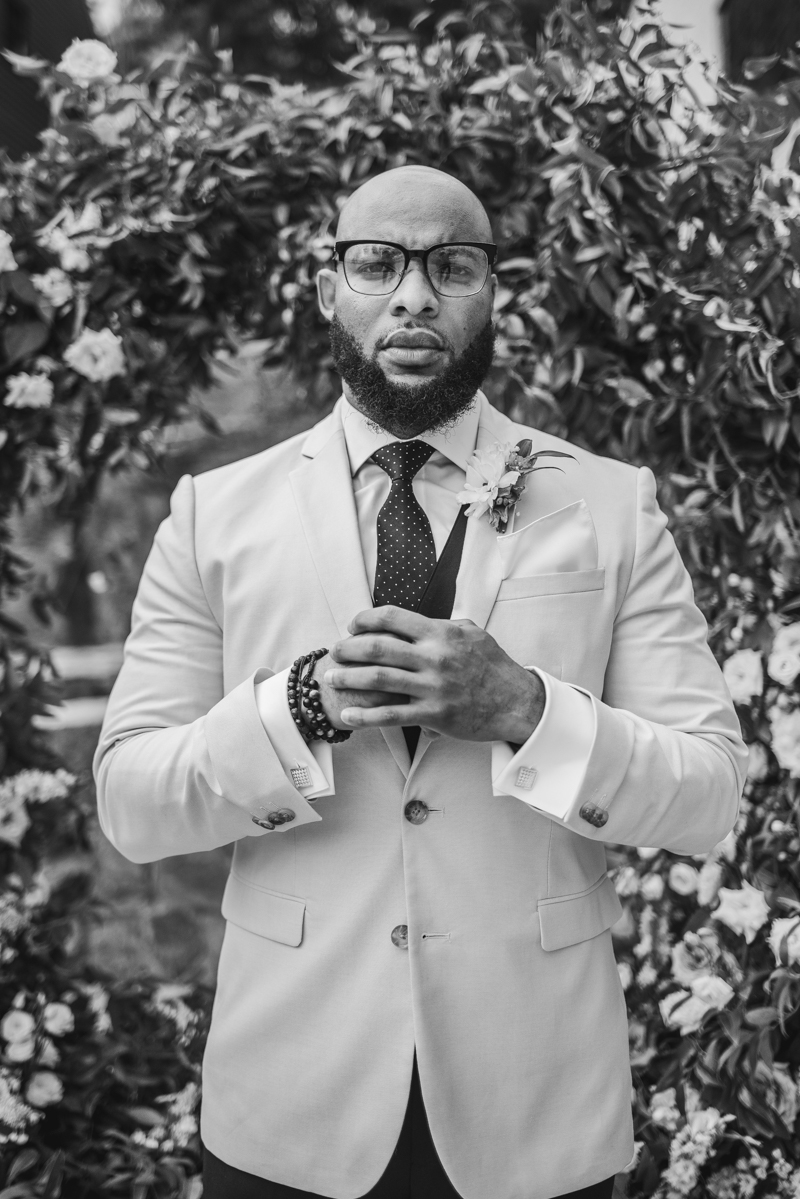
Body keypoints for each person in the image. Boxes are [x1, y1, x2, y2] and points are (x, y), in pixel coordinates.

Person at [94, 165, 746, 1199]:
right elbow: (132, 801)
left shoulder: (612, 506)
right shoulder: (210, 516)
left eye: (451, 265)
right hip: (289, 1103)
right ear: (327, 290)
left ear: (491, 291)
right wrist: (296, 707)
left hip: (534, 1101)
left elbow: (709, 792)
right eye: (374, 262)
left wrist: (526, 709)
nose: (411, 295)